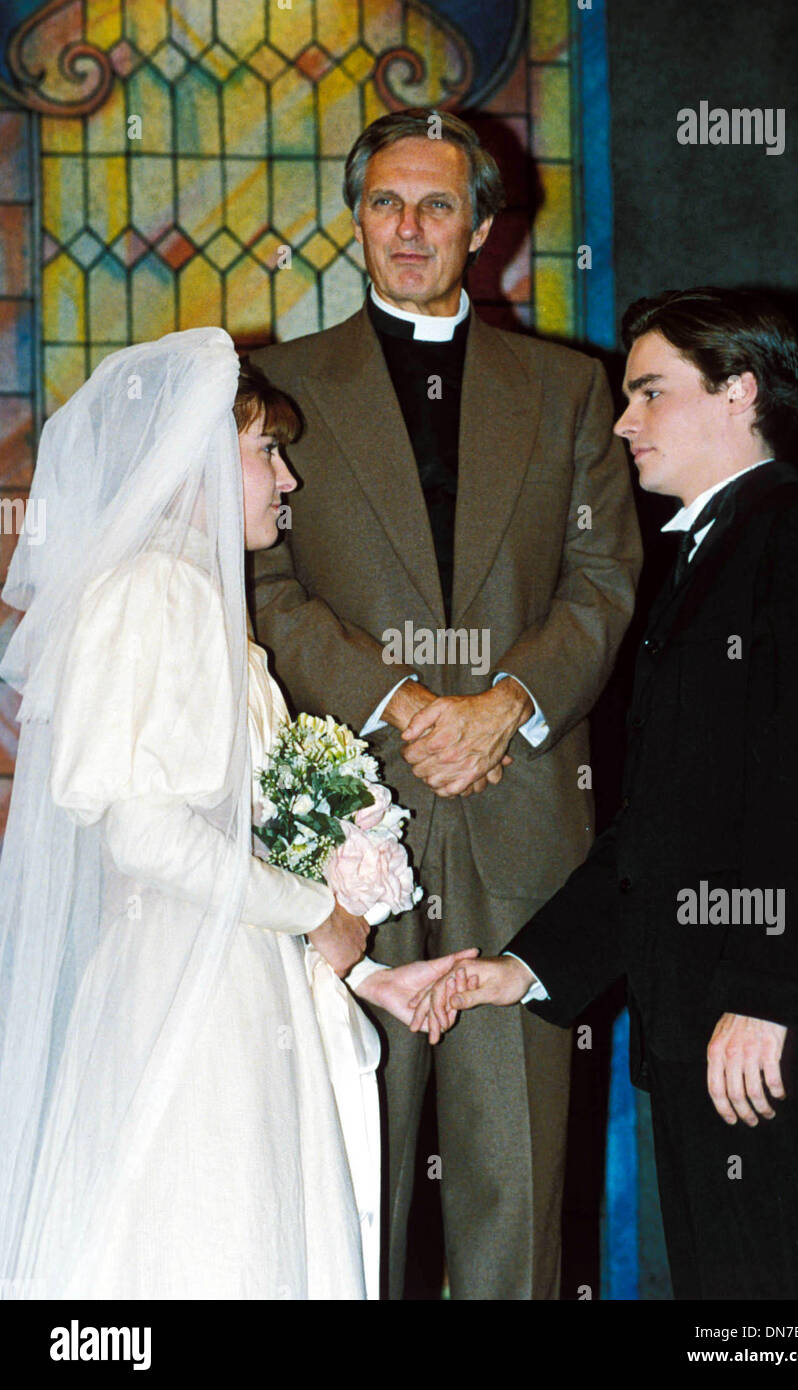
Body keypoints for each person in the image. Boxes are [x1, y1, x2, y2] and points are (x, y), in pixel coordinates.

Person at [249, 110, 642, 1299]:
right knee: (342, 1169)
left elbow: (605, 580)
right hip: (337, 831)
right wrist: (400, 700)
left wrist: (505, 701)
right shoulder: (282, 386)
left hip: (522, 816)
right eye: (383, 202)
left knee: (513, 1187)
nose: (407, 228)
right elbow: (263, 580)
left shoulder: (572, 391)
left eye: (434, 205)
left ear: (481, 224)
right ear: (354, 217)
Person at [0, 327, 474, 1301]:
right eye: (265, 450)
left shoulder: (197, 600)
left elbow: (212, 851)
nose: (286, 478)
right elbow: (146, 834)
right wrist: (321, 912)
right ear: (195, 459)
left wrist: (367, 971)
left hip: (217, 981)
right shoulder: (159, 593)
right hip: (193, 1006)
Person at [420, 287, 798, 1300]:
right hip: (702, 1029)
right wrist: (526, 969)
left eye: (648, 393)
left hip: (757, 1029)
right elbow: (656, 831)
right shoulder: (705, 557)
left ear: (737, 393)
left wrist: (765, 992)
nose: (623, 420)